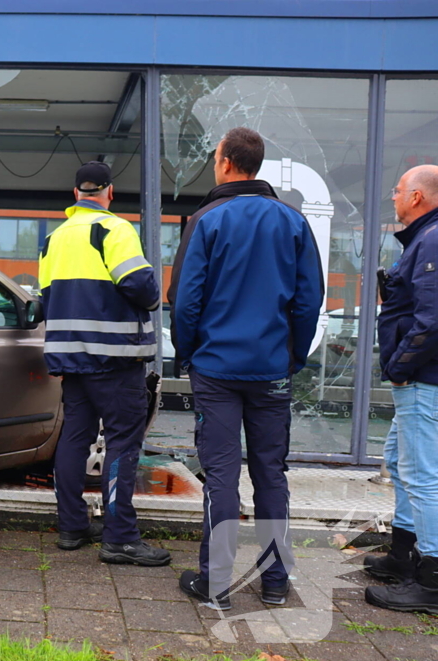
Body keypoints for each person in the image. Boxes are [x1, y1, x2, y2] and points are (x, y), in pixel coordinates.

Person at [168, 127, 324, 610]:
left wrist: (187, 352)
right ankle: (275, 581)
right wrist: (292, 357)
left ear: (226, 163)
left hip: (216, 369)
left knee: (221, 475)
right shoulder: (294, 222)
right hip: (270, 370)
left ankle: (216, 583)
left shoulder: (206, 219)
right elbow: (309, 301)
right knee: (271, 474)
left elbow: (185, 300)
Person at [38, 161, 170, 566]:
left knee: (73, 439)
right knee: (123, 443)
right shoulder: (115, 229)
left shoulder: (54, 239)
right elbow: (142, 287)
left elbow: (46, 298)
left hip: (72, 360)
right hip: (116, 359)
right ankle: (120, 538)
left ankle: (71, 526)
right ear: (109, 192)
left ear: (75, 194)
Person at [365, 165, 438, 614]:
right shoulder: (423, 239)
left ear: (416, 197)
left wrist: (398, 367)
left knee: (422, 476)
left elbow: (431, 320)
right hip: (418, 379)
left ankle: (431, 581)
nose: (393, 197)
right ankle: (402, 556)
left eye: (397, 191)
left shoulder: (432, 240)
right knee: (399, 462)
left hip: (421, 380)